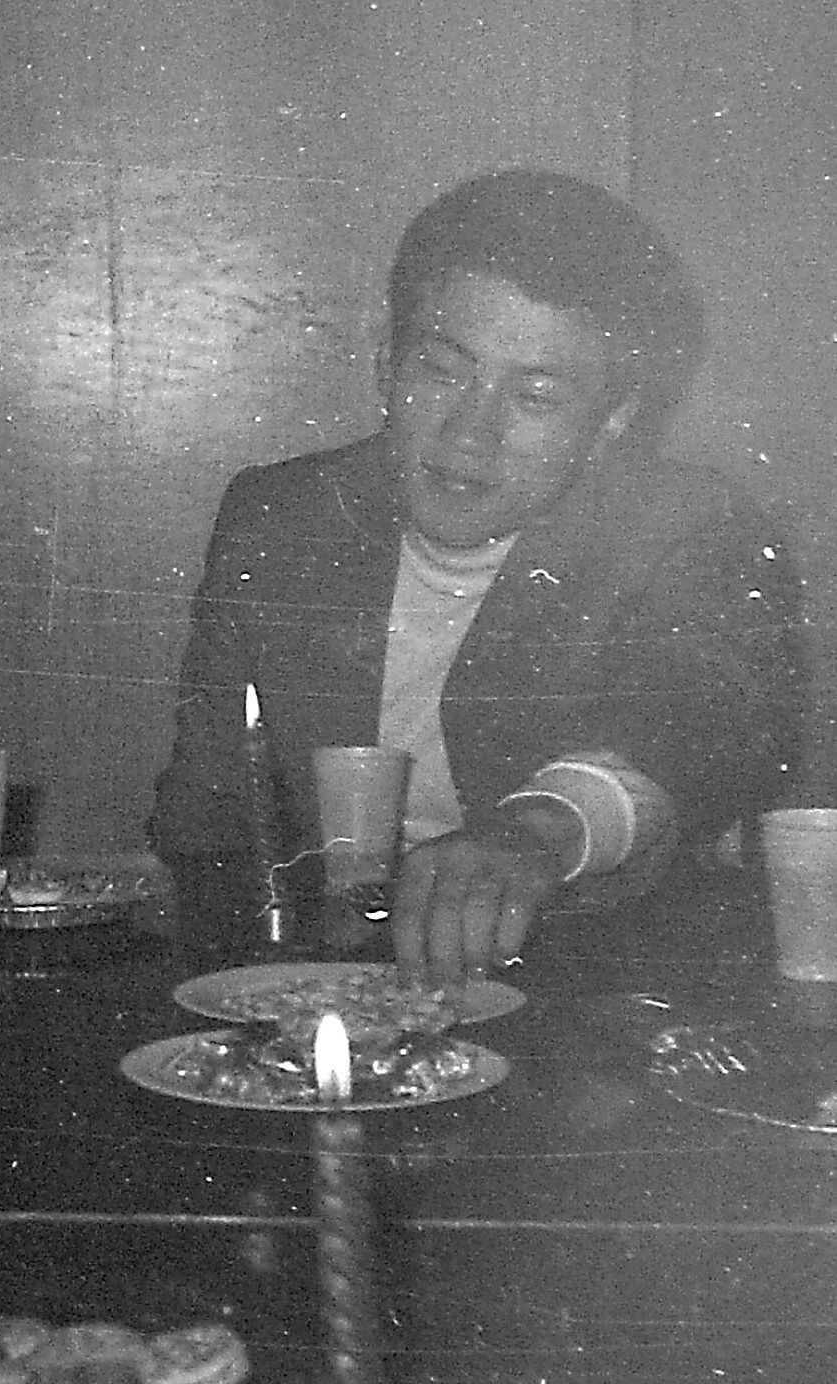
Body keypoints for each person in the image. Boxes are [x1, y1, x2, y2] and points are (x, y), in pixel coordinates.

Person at [148, 169, 796, 987]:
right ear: (385, 363)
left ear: (613, 421)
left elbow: (689, 730)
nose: (470, 433)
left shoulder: (689, 528)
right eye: (443, 370)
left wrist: (534, 836)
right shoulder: (280, 518)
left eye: (535, 396)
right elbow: (207, 816)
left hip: (586, 985)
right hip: (326, 984)